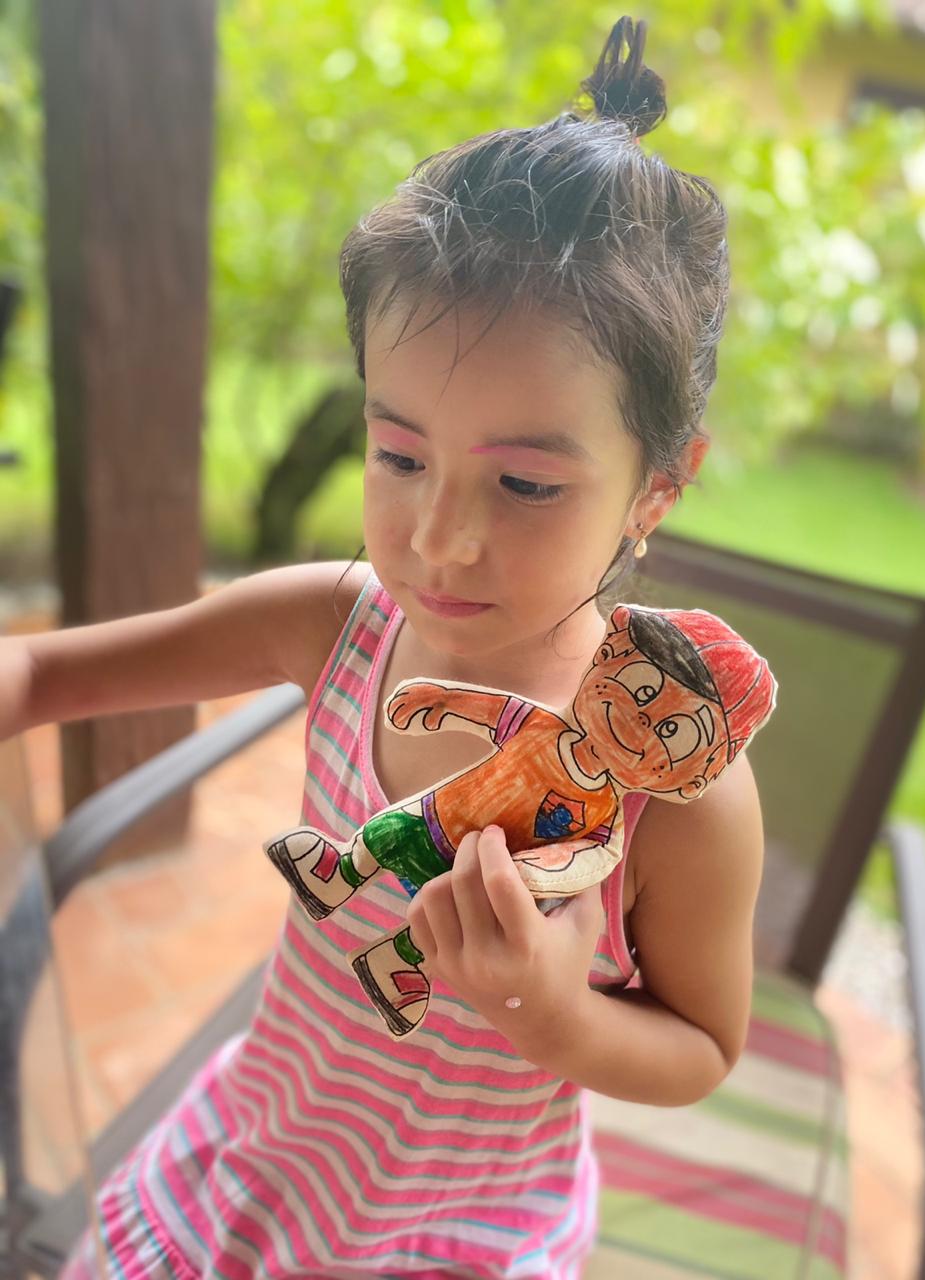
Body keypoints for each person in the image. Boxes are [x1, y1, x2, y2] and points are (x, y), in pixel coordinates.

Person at [1, 16, 766, 1279]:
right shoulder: (342, 620)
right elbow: (41, 671)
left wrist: (555, 1010)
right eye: (400, 452)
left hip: (467, 1225)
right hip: (258, 1149)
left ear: (656, 488)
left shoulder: (672, 781)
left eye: (524, 485)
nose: (439, 538)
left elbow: (703, 1044)